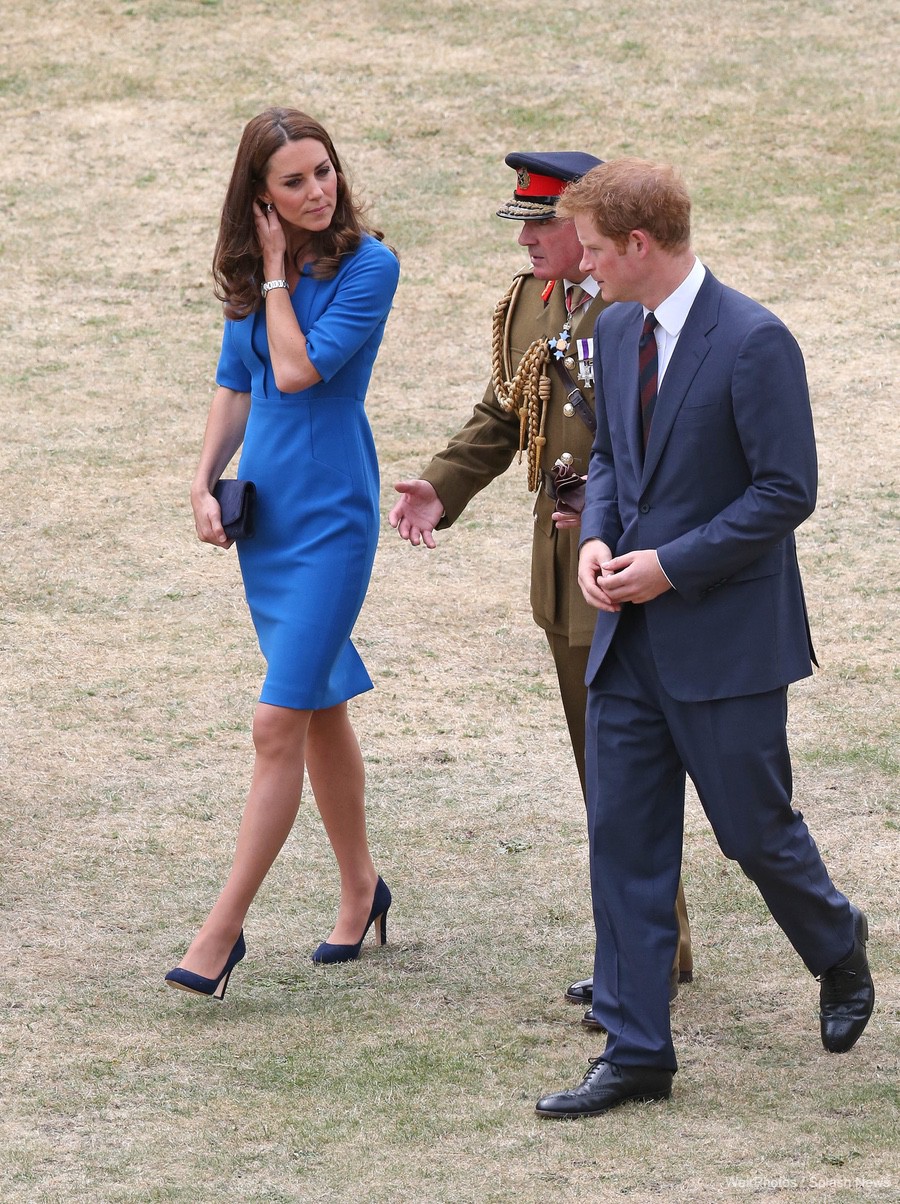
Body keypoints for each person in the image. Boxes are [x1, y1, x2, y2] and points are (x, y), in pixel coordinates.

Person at [535, 159, 874, 1117]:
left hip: (723, 642)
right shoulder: (610, 325)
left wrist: (670, 566)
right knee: (624, 839)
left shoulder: (755, 342)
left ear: (639, 246)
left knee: (753, 833)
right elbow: (608, 456)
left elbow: (785, 492)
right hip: (630, 645)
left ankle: (837, 943)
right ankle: (639, 1049)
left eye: (595, 251)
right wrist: (599, 534)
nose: (586, 268)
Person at [388, 152, 694, 1022]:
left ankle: (641, 953)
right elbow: (505, 410)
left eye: (542, 225)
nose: (525, 240)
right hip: (566, 575)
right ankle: (652, 944)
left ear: (590, 226)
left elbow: (669, 435)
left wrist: (606, 511)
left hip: (635, 564)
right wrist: (443, 486)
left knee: (640, 769)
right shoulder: (535, 302)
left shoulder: (635, 303)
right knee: (604, 769)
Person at [165, 108, 400, 999]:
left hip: (334, 513)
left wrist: (273, 275)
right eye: (293, 181)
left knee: (276, 723)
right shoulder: (253, 268)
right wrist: (201, 481)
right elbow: (239, 381)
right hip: (266, 517)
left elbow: (299, 374)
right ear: (259, 196)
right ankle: (360, 889)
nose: (316, 191)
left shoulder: (369, 265)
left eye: (323, 171)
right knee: (319, 703)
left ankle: (220, 934)